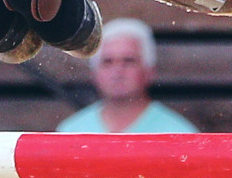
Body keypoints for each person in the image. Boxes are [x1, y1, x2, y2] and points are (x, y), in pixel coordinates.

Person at [54, 18, 197, 134]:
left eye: (128, 61)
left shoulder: (178, 134)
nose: (118, 72)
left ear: (149, 71)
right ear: (94, 72)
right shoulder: (70, 132)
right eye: (107, 62)